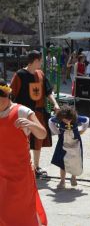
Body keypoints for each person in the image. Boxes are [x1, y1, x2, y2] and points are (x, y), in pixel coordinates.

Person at [0, 79, 48, 226]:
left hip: (20, 175)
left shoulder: (21, 111)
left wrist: (32, 125)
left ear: (8, 95)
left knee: (22, 214)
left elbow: (42, 134)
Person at [10, 50, 60, 177]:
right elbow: (11, 95)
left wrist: (55, 104)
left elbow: (48, 91)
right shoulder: (20, 75)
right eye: (40, 60)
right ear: (35, 61)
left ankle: (36, 167)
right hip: (23, 114)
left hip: (38, 113)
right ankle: (22, 166)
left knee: (38, 140)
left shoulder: (40, 74)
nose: (41, 63)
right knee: (23, 140)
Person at [48, 105, 89, 189]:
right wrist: (56, 132)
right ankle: (62, 181)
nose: (67, 121)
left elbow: (86, 120)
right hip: (62, 143)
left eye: (69, 119)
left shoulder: (76, 118)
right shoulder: (59, 119)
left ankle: (73, 178)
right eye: (65, 119)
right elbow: (50, 121)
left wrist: (82, 130)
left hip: (75, 142)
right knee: (62, 162)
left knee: (75, 161)